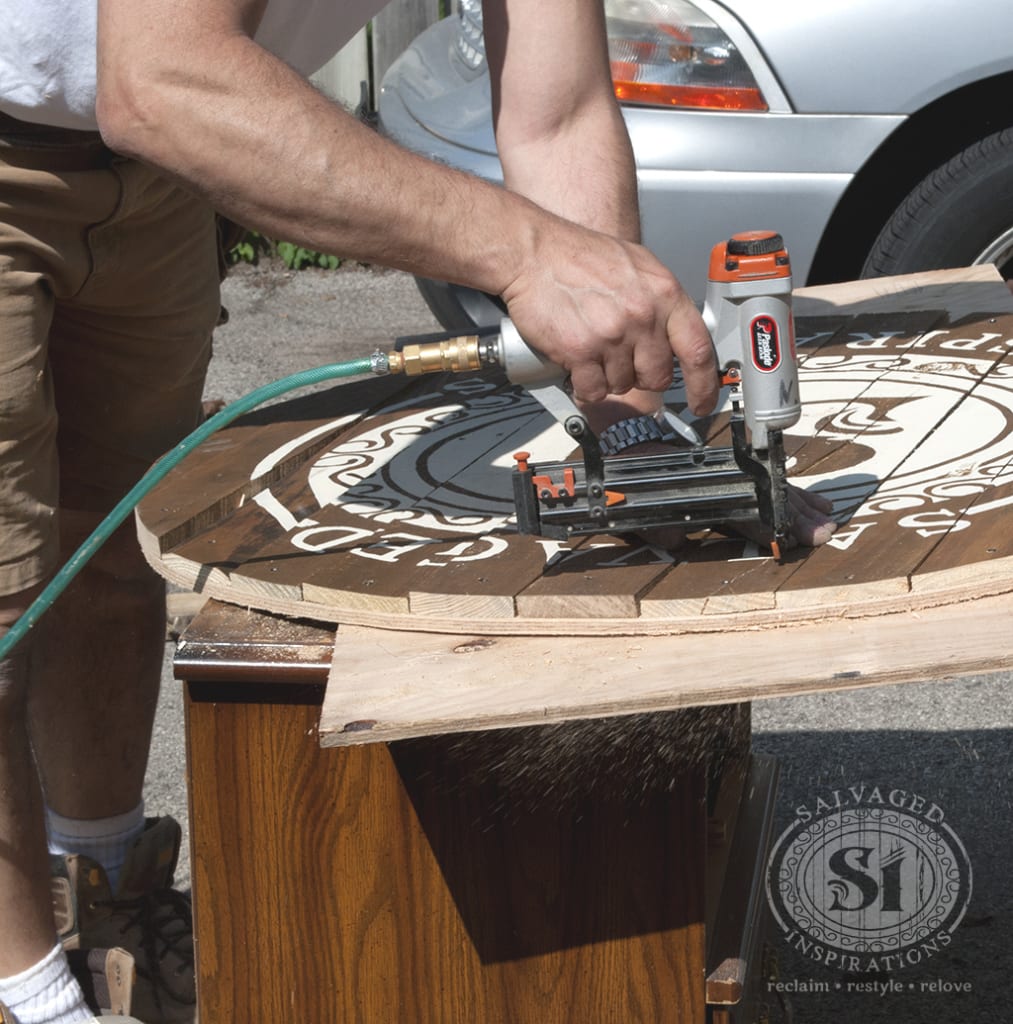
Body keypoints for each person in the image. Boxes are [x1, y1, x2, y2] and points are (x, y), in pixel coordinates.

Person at [0, 1, 836, 1022]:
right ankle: (31, 991)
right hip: (130, 104)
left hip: (143, 159)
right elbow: (163, 78)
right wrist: (525, 254)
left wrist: (627, 427)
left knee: (112, 542)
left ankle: (104, 886)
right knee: (5, 588)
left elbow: (558, 112)